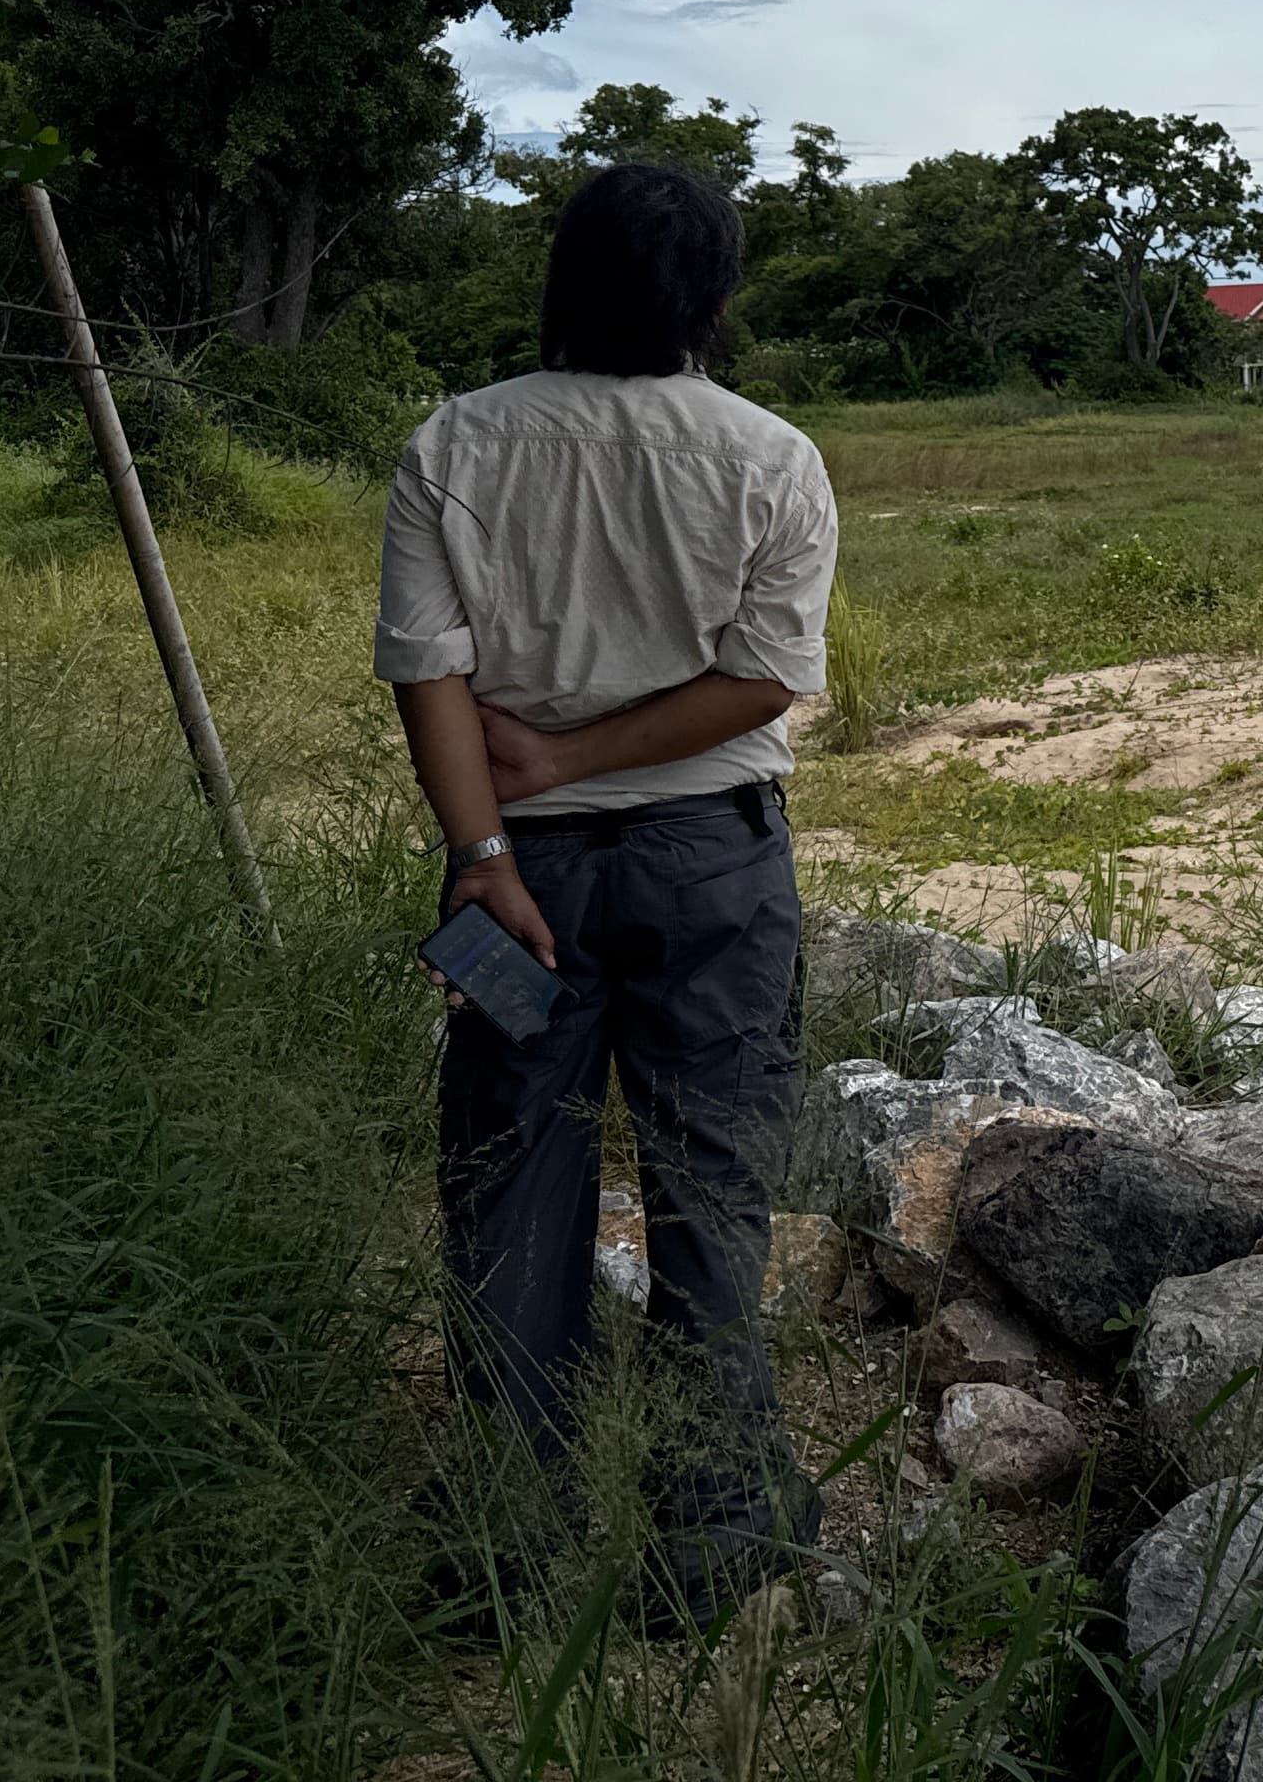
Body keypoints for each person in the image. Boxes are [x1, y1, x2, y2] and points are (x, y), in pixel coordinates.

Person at [377, 160, 837, 1611]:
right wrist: (587, 758)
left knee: (510, 1169)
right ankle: (714, 1526)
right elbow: (765, 679)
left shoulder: (456, 443)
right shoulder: (771, 457)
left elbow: (428, 675)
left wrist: (486, 849)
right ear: (715, 298)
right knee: (713, 1179)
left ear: (562, 281)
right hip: (716, 871)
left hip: (518, 878)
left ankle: (507, 1532)